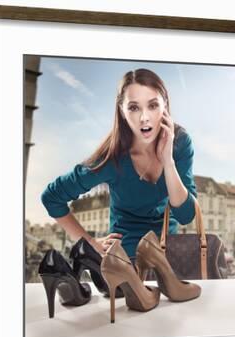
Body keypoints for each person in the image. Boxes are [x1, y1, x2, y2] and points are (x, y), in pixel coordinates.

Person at [40, 68, 197, 266]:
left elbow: (186, 215)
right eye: (133, 108)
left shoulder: (180, 143)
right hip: (125, 259)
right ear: (122, 111)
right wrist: (89, 243)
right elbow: (52, 197)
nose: (144, 117)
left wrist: (168, 161)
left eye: (153, 105)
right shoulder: (111, 158)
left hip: (169, 256)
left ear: (164, 104)